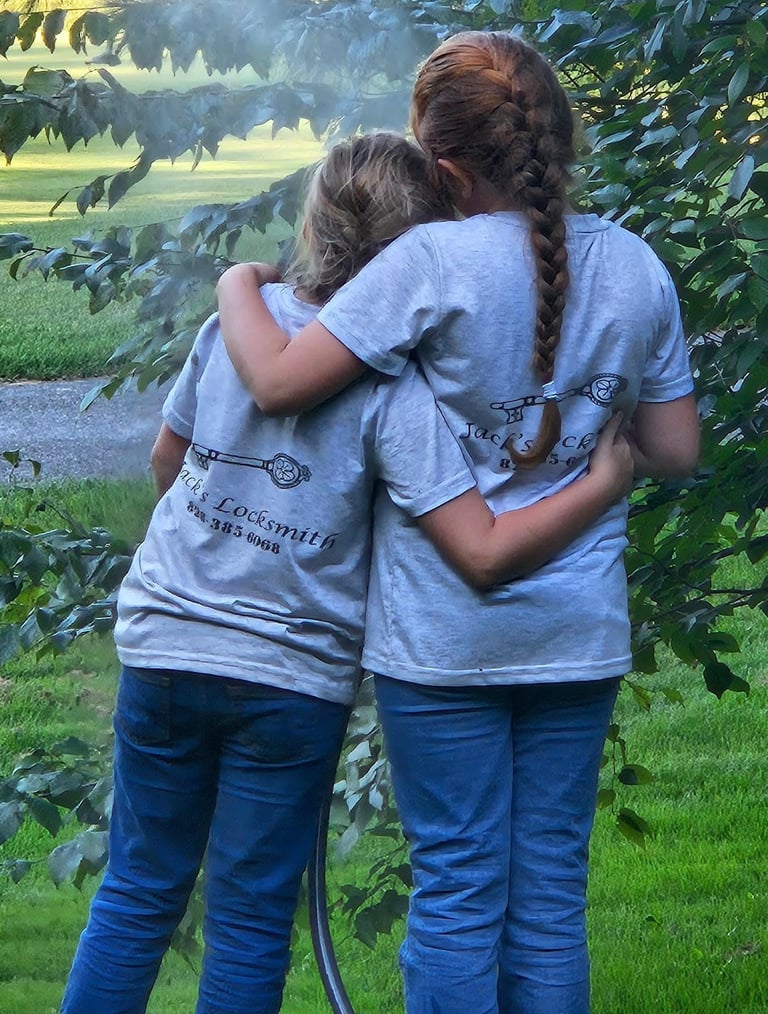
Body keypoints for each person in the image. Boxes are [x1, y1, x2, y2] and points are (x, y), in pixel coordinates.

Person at [59, 131, 633, 1014]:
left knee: (137, 892)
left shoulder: (231, 329)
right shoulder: (398, 391)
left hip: (166, 646)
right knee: (250, 919)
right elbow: (465, 537)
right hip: (292, 679)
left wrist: (236, 281)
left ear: (313, 220)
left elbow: (167, 460)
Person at [215, 32, 700, 1014]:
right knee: (551, 894)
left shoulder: (430, 261)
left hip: (443, 646)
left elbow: (273, 381)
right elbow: (676, 448)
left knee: (460, 884)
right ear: (561, 141)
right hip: (576, 637)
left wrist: (237, 283)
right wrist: (602, 463)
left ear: (441, 168)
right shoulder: (638, 266)